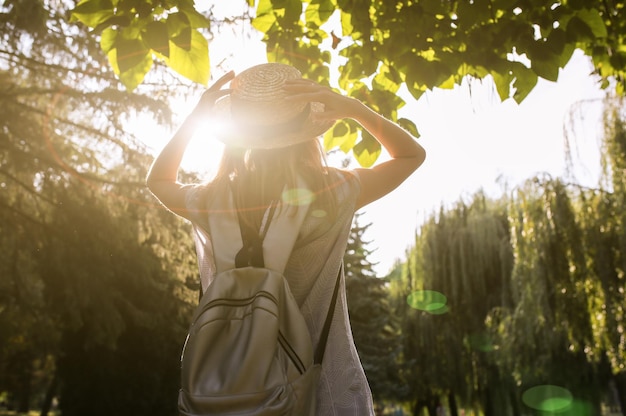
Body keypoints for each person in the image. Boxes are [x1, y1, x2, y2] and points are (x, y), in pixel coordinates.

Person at [146, 62, 426, 415]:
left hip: (232, 393)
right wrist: (353, 109)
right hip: (321, 389)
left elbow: (158, 182)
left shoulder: (212, 201)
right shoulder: (332, 193)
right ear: (306, 134)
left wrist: (195, 119)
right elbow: (411, 155)